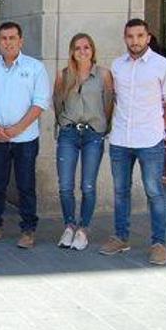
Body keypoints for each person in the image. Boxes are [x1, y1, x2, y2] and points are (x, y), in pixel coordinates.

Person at [100, 18, 166, 266]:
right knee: (121, 192)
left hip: (150, 138)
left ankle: (158, 243)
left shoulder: (163, 65)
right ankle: (121, 237)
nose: (135, 41)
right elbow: (114, 99)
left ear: (148, 37)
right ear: (125, 38)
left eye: (140, 36)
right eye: (130, 36)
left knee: (154, 192)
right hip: (121, 138)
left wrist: (162, 127)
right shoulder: (117, 66)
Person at [0, 22, 50, 248]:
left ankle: (28, 230)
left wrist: (17, 128)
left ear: (21, 41)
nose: (8, 42)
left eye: (12, 38)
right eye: (4, 38)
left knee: (26, 185)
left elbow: (40, 103)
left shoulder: (35, 68)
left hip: (25, 139)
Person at [52, 33, 113, 251]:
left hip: (92, 133)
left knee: (88, 185)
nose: (82, 52)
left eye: (86, 47)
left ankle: (83, 229)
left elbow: (109, 103)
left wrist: (102, 127)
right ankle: (69, 225)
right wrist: (62, 123)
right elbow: (57, 103)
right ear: (72, 52)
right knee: (65, 185)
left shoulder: (104, 75)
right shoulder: (64, 76)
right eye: (77, 48)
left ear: (93, 50)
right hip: (69, 132)